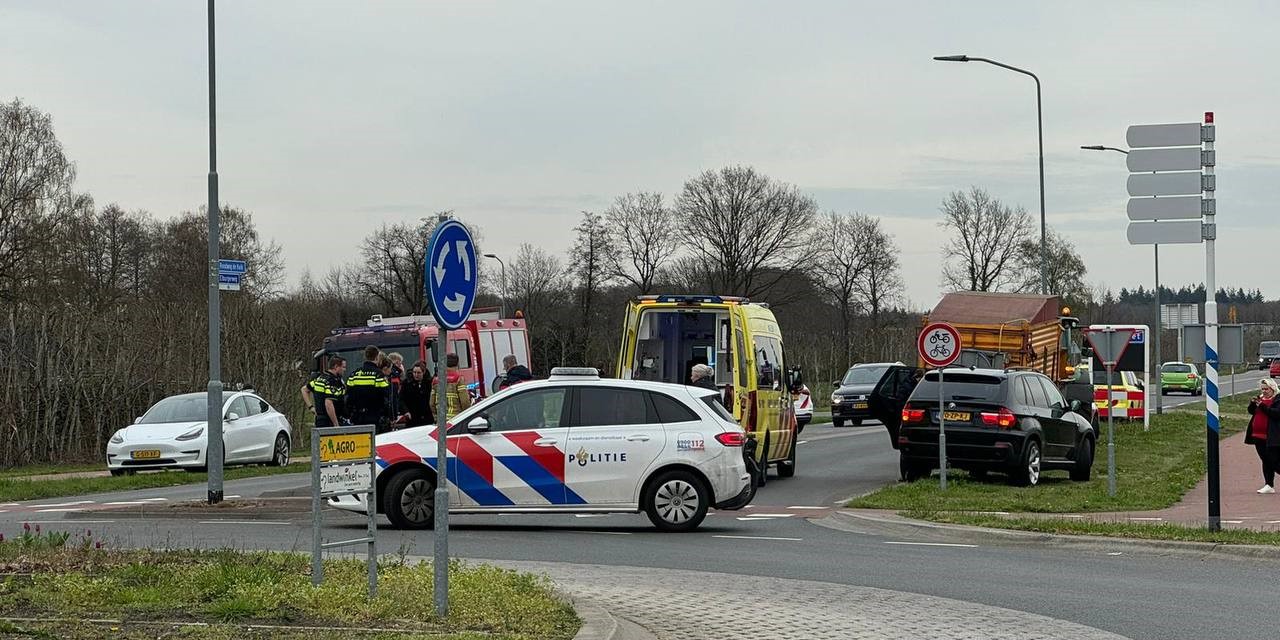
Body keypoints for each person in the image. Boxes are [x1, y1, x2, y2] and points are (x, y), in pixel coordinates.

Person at [1245, 377, 1280, 494]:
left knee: (1274, 460)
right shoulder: (1260, 399)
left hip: (1272, 436)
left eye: (1267, 389)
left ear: (1273, 388)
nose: (1264, 391)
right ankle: (1269, 484)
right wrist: (1253, 404)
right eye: (1263, 389)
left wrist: (1262, 406)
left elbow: (1276, 414)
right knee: (1265, 460)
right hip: (1257, 435)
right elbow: (1252, 411)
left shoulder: (1277, 399)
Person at [347, 345, 392, 432]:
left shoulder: (354, 374)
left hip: (358, 418)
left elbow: (348, 397)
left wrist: (350, 414)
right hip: (375, 418)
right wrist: (388, 416)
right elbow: (386, 396)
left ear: (365, 356)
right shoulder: (379, 375)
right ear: (377, 357)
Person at [302, 356, 347, 428]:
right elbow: (329, 403)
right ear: (336, 367)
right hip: (329, 421)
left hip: (320, 420)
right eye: (343, 367)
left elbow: (304, 389)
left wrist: (311, 407)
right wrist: (336, 424)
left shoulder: (320, 378)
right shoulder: (332, 381)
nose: (344, 369)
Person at [432, 352, 473, 421]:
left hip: (441, 420)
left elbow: (431, 404)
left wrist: (436, 416)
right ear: (457, 364)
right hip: (456, 420)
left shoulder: (436, 380)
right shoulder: (459, 379)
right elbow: (464, 402)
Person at [400, 361, 432, 427]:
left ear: (424, 372)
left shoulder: (429, 382)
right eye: (414, 372)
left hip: (427, 417)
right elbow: (401, 399)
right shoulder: (407, 383)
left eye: (419, 373)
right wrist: (406, 411)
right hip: (412, 417)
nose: (416, 375)